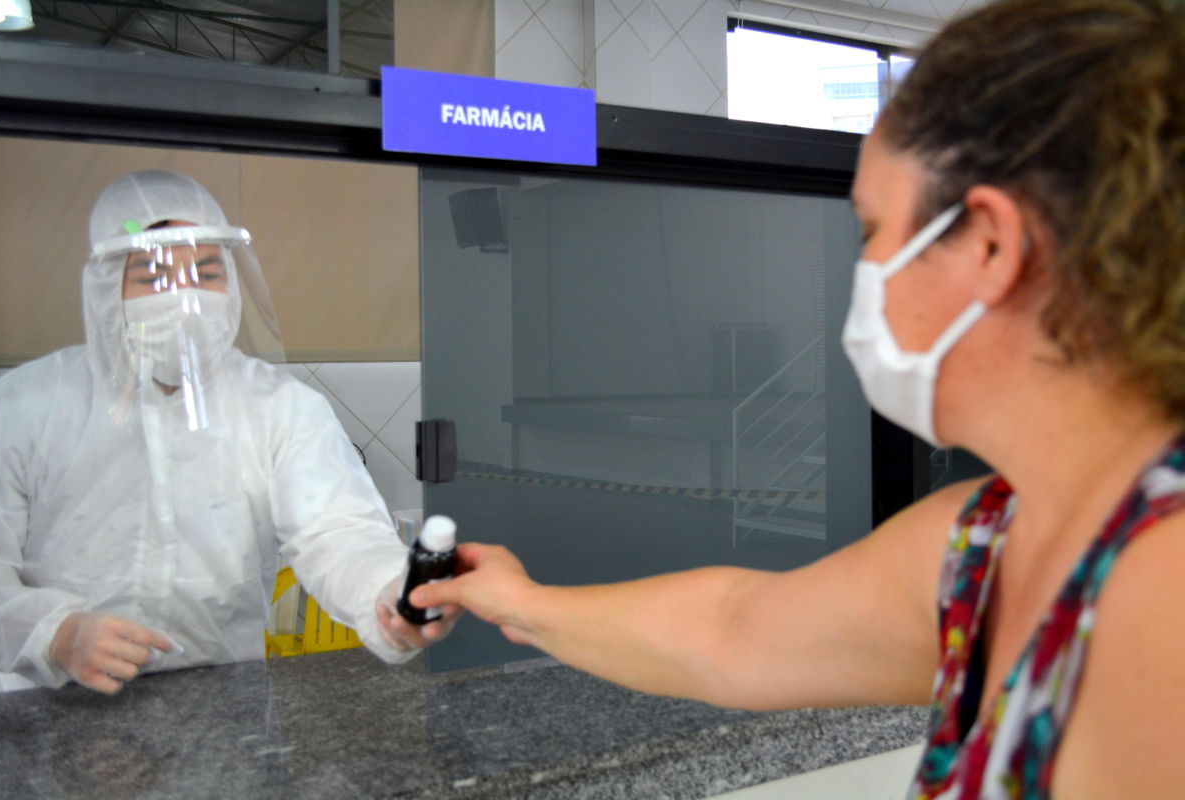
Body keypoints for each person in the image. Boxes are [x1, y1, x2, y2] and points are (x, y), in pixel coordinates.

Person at [413, 1, 1185, 797]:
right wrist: (524, 603)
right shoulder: (984, 543)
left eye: (873, 230)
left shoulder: (1163, 591)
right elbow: (732, 631)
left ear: (989, 246)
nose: (863, 272)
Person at [0, 170, 458, 695]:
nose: (185, 298)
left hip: (222, 704)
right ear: (105, 287)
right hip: (44, 708)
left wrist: (390, 593)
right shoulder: (25, 406)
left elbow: (338, 532)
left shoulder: (278, 408)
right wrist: (56, 634)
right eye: (154, 277)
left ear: (231, 282)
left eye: (206, 272)